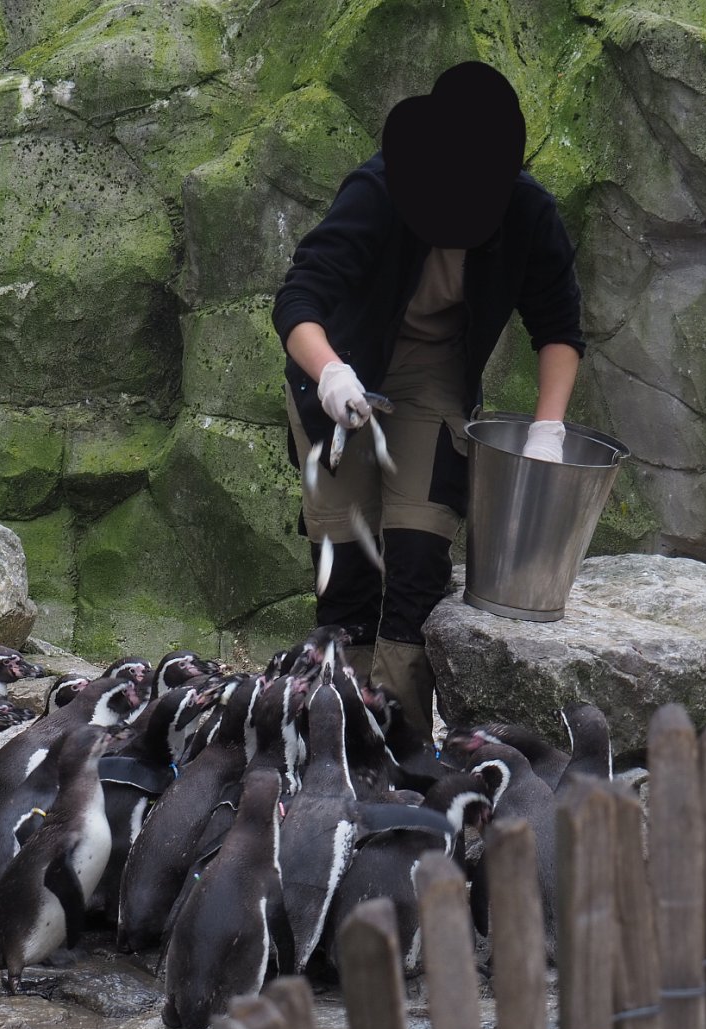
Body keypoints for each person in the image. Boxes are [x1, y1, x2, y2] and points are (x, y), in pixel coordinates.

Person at [271, 60, 585, 735]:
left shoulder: (527, 211)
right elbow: (298, 300)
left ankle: (400, 740)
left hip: (435, 375)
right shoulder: (378, 189)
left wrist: (547, 431)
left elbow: (559, 327)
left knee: (416, 559)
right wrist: (330, 374)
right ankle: (337, 733)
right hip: (340, 365)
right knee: (349, 567)